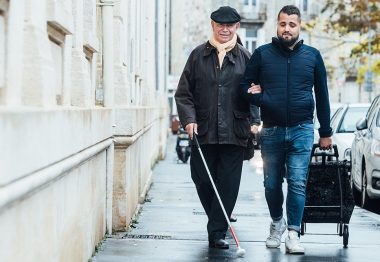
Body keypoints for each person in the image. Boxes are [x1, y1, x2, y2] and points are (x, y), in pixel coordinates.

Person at [240, 5, 332, 254]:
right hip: (271, 130)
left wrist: (326, 131)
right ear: (277, 26)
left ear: (299, 26)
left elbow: (322, 95)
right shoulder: (262, 54)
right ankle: (276, 223)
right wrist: (264, 100)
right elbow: (244, 87)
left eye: (292, 24)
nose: (287, 28)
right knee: (271, 184)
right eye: (283, 24)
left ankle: (293, 233)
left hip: (302, 129)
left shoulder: (312, 56)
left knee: (297, 182)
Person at [175, 6, 260, 249]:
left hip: (235, 131)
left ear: (236, 27)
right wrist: (188, 119)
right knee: (201, 177)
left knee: (228, 183)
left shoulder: (247, 58)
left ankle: (217, 233)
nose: (225, 29)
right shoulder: (197, 56)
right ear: (212, 25)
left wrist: (255, 119)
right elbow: (183, 94)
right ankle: (218, 216)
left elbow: (254, 93)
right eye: (220, 25)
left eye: (230, 25)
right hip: (203, 129)